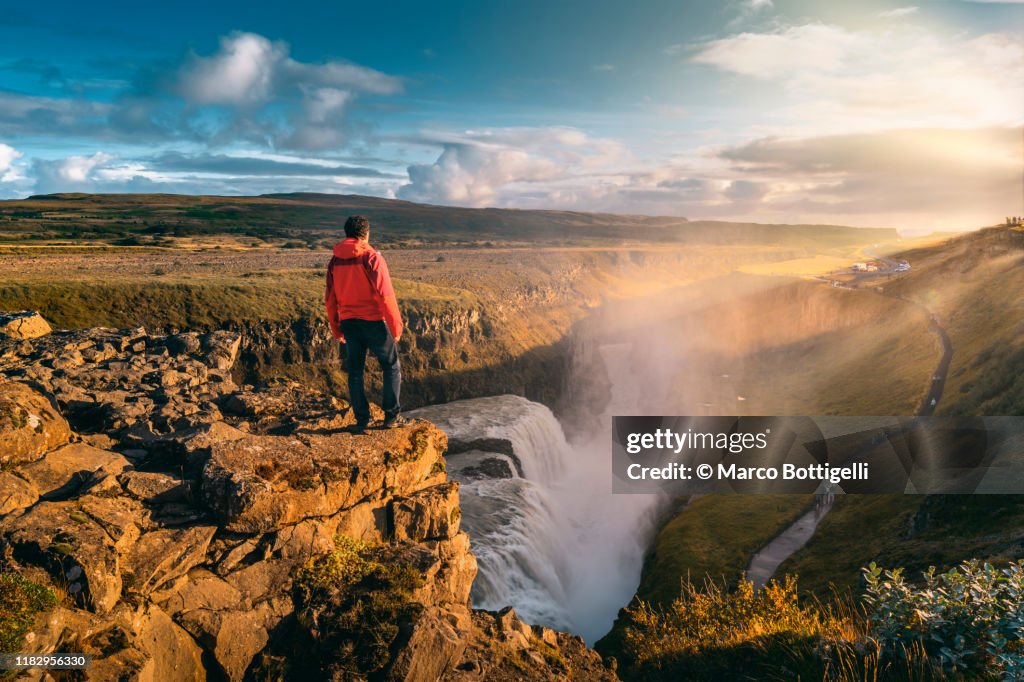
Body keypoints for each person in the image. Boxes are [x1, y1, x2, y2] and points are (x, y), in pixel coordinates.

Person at [325, 215, 406, 433]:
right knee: (391, 366)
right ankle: (391, 417)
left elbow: (330, 298)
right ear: (366, 233)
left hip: (349, 323)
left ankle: (362, 420)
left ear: (347, 233)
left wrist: (336, 328)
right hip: (373, 322)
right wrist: (396, 328)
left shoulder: (335, 261)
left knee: (355, 372)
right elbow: (385, 295)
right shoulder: (371, 257)